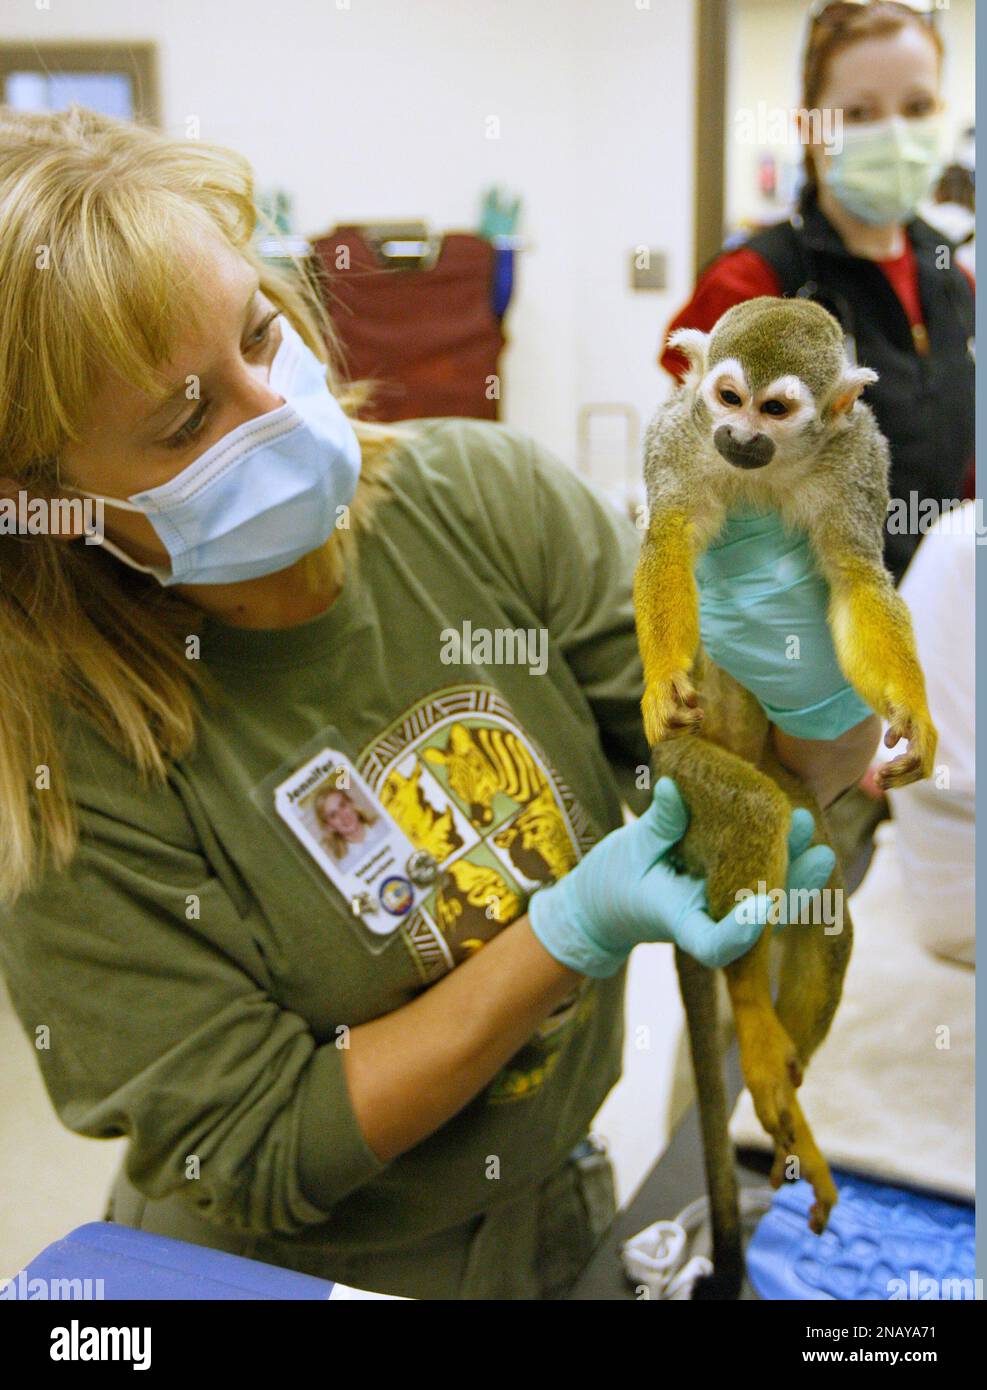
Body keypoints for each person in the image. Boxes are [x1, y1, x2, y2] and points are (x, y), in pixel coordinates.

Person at [0, 106, 870, 1301]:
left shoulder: (481, 498)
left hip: (549, 1212)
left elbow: (724, 766)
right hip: (289, 1274)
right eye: (184, 420)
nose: (278, 409)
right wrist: (566, 933)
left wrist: (815, 686)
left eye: (261, 332)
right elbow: (260, 1144)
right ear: (43, 492)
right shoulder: (62, 757)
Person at [662, 0, 975, 585]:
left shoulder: (955, 281)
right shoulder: (754, 282)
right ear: (810, 129)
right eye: (858, 113)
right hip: (805, 628)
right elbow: (699, 486)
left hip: (938, 618)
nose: (896, 135)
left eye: (917, 107)